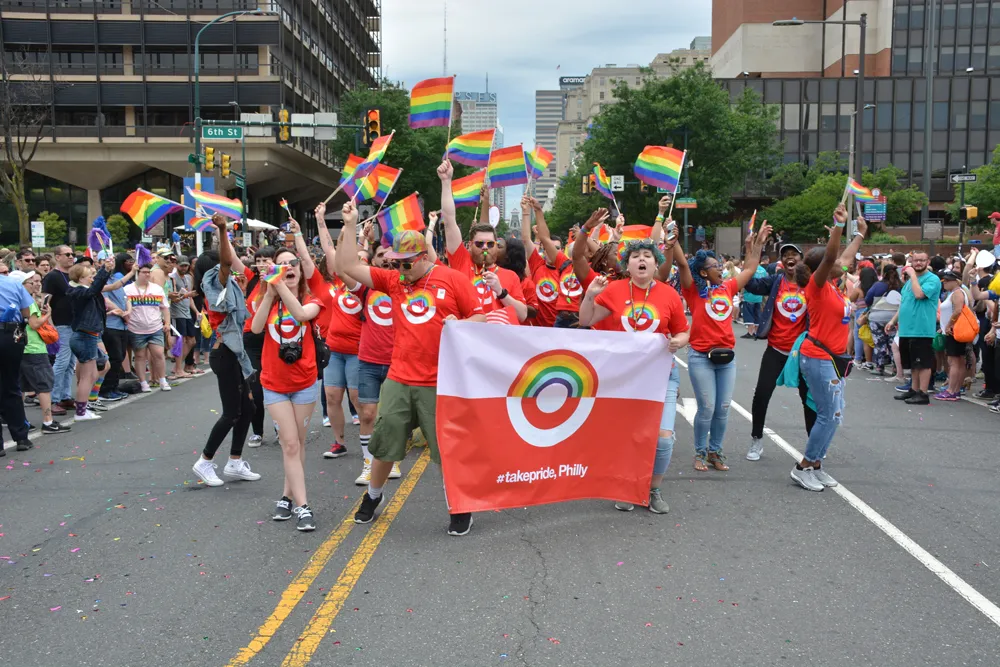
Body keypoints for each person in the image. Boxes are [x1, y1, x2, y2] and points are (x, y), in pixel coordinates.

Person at [339, 164, 486, 537]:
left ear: (424, 255)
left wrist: (460, 325)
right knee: (384, 443)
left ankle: (460, 505)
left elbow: (481, 318)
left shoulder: (453, 280)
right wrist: (349, 225)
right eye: (396, 263)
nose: (400, 269)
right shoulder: (393, 281)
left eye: (406, 263)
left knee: (447, 450)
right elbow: (346, 265)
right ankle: (373, 497)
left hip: (440, 383)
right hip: (399, 379)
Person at [578, 236, 689, 514]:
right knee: (627, 436)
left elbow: (683, 331)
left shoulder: (669, 294)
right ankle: (627, 486)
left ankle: (653, 489)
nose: (641, 260)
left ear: (656, 264)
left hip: (661, 375)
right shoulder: (614, 290)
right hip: (624, 377)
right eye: (636, 256)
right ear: (627, 265)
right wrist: (590, 295)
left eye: (647, 256)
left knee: (663, 437)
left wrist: (679, 341)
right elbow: (586, 320)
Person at [672, 220, 771, 472]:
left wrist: (758, 244)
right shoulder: (693, 291)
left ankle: (715, 451)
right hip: (700, 357)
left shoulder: (727, 288)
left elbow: (750, 268)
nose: (720, 269)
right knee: (707, 408)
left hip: (727, 359)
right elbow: (682, 264)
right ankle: (700, 452)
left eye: (719, 265)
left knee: (723, 408)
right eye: (714, 267)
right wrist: (673, 241)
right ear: (704, 273)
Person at [790, 205, 865, 492]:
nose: (843, 265)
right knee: (828, 415)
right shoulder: (817, 286)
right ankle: (803, 467)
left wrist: (860, 234)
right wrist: (839, 226)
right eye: (834, 263)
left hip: (834, 359)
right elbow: (834, 256)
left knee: (834, 415)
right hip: (819, 358)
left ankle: (817, 465)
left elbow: (843, 257)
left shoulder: (833, 283)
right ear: (822, 266)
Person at [250, 246, 322, 532]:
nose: (288, 268)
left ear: (301, 270)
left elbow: (301, 314)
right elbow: (256, 328)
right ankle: (303, 507)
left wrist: (279, 285)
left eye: (292, 263)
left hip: (304, 383)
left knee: (298, 444)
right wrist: (269, 293)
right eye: (280, 265)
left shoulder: (313, 300)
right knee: (290, 444)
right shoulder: (265, 299)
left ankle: (286, 497)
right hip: (274, 384)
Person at [191, 214, 261, 487]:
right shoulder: (215, 280)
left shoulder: (225, 286)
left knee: (248, 407)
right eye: (224, 265)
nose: (230, 267)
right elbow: (226, 261)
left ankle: (234, 461)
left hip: (234, 354)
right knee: (232, 412)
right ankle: (205, 461)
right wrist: (222, 230)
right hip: (225, 355)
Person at [744, 242, 815, 461]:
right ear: (781, 262)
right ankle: (756, 440)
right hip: (776, 349)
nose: (789, 258)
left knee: (808, 400)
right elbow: (749, 284)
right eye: (785, 255)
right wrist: (752, 250)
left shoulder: (811, 284)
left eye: (794, 254)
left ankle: (813, 448)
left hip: (802, 353)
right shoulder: (775, 281)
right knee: (761, 394)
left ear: (801, 259)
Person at [442, 162, 527, 322]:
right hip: (466, 336)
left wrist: (500, 291)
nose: (485, 248)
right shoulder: (461, 263)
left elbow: (522, 315)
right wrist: (446, 182)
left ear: (496, 245)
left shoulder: (510, 276)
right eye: (479, 244)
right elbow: (449, 222)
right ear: (469, 245)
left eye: (490, 244)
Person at [13, 270, 71, 434]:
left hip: (20, 347)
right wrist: (47, 315)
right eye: (31, 282)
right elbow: (34, 324)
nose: (35, 284)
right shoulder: (27, 301)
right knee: (44, 386)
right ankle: (48, 422)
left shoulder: (13, 300)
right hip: (34, 348)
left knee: (20, 387)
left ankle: (21, 421)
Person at [65, 257, 117, 421]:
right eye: (90, 276)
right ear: (80, 278)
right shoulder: (79, 292)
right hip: (85, 336)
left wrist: (105, 270)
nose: (92, 279)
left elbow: (95, 289)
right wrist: (104, 270)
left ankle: (84, 407)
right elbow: (94, 289)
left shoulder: (81, 291)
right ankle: (81, 412)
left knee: (92, 374)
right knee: (87, 377)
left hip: (87, 336)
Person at [888, 251, 942, 405]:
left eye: (922, 260)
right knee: (913, 363)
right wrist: (893, 321)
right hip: (907, 328)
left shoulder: (932, 279)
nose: (918, 263)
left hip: (922, 329)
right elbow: (904, 303)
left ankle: (923, 393)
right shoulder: (909, 283)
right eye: (916, 260)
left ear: (928, 261)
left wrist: (912, 276)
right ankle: (914, 389)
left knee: (923, 363)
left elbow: (919, 295)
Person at [241, 246, 276, 447]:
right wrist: (222, 231)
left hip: (273, 338)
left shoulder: (281, 281)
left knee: (277, 387)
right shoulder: (251, 279)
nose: (262, 264)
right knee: (255, 389)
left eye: (266, 260)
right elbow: (230, 258)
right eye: (259, 260)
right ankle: (257, 432)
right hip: (251, 340)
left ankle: (281, 428)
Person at [0, 269, 35, 454]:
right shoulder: (12, 283)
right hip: (10, 334)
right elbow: (26, 311)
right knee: (11, 385)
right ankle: (21, 437)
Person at [124, 262, 173, 393]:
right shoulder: (128, 289)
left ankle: (162, 380)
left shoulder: (157, 289)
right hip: (135, 328)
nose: (147, 275)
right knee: (140, 356)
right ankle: (143, 382)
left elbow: (165, 308)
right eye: (144, 272)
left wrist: (167, 323)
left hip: (155, 327)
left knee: (158, 354)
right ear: (137, 273)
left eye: (148, 272)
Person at [42, 245, 79, 410]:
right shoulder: (52, 276)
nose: (71, 257)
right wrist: (50, 324)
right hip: (61, 323)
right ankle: (53, 399)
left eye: (72, 254)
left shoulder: (72, 275)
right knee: (61, 361)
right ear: (57, 257)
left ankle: (65, 395)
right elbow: (45, 301)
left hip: (74, 323)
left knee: (70, 362)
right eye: (67, 254)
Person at [934, 270, 972, 401]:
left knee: (954, 362)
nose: (944, 283)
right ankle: (955, 390)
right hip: (953, 330)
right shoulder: (955, 293)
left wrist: (949, 325)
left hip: (954, 331)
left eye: (947, 281)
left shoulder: (957, 293)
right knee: (958, 361)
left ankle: (951, 390)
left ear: (955, 281)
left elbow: (957, 311)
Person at [101, 252, 134, 402]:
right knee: (113, 358)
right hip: (111, 324)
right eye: (108, 260)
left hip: (122, 325)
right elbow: (107, 301)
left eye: (113, 260)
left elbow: (126, 298)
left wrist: (128, 311)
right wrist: (122, 314)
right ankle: (106, 389)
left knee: (119, 356)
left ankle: (114, 387)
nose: (111, 263)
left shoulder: (116, 278)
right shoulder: (101, 281)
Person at [863, 263, 903, 377]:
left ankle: (879, 367)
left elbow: (868, 299)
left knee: (879, 343)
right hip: (895, 318)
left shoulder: (878, 285)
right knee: (893, 344)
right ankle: (896, 368)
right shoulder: (901, 286)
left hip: (876, 317)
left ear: (884, 273)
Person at [168, 256, 198, 380]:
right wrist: (186, 295)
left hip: (186, 313)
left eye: (186, 265)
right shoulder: (172, 278)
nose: (184, 268)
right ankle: (178, 369)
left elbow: (189, 297)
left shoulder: (188, 278)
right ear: (177, 265)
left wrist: (196, 311)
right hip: (176, 313)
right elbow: (173, 297)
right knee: (179, 341)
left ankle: (178, 367)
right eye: (182, 265)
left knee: (192, 341)